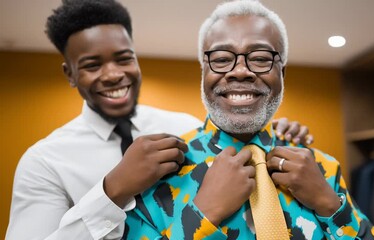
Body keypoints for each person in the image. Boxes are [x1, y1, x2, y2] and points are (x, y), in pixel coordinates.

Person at [5, 0, 312, 239]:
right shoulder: (43, 162)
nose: (114, 74)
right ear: (69, 74)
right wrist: (112, 191)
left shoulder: (184, 126)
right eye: (92, 65)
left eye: (124, 58)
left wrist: (270, 131)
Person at [125, 1, 374, 239]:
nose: (240, 71)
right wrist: (201, 216)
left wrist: (329, 205)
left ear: (281, 73)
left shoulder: (323, 169)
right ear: (203, 71)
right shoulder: (158, 171)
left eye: (260, 59)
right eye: (222, 59)